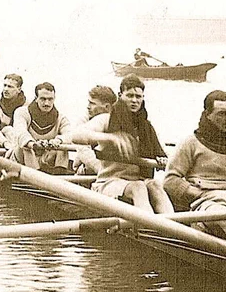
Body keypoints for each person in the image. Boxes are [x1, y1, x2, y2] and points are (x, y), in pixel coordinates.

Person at [162, 90, 226, 249]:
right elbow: (170, 181)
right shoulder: (191, 143)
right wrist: (199, 193)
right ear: (208, 115)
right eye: (221, 114)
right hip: (209, 203)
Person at [70, 75, 172, 213]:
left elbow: (163, 152)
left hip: (139, 181)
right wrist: (110, 138)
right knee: (139, 187)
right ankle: (148, 228)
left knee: (155, 185)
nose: (134, 100)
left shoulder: (146, 126)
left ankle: (170, 229)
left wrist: (162, 158)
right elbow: (76, 136)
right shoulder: (106, 119)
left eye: (138, 96)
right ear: (120, 96)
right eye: (130, 95)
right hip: (109, 182)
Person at [11, 82, 72, 173]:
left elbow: (69, 134)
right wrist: (33, 144)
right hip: (22, 159)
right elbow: (21, 133)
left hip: (44, 159)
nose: (47, 103)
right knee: (25, 145)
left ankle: (60, 174)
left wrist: (57, 141)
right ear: (36, 99)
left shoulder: (61, 118)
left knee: (64, 146)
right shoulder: (22, 112)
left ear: (54, 99)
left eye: (50, 99)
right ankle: (34, 179)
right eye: (43, 99)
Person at [70, 85, 116, 174]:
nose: (88, 107)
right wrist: (104, 171)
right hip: (91, 170)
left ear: (107, 107)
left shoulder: (119, 121)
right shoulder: (83, 122)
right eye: (89, 102)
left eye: (92, 103)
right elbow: (83, 151)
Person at [0, 73, 26, 150]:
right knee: (8, 129)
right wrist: (5, 143)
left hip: (20, 145)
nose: (6, 89)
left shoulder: (26, 106)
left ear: (19, 89)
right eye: (5, 85)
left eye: (10, 87)